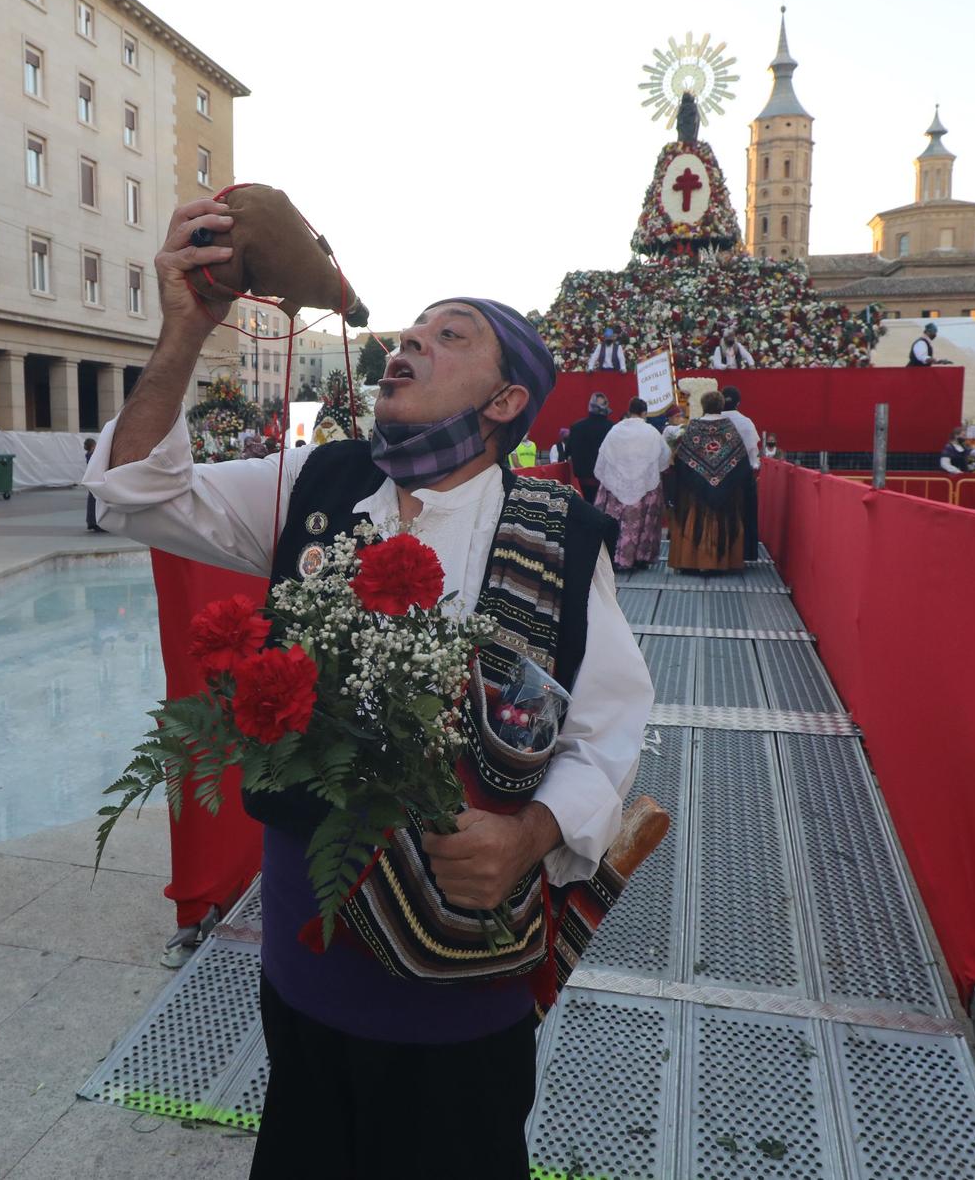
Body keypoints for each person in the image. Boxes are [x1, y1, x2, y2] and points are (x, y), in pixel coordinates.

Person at [84, 197, 652, 1179]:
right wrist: (185, 330)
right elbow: (129, 493)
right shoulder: (317, 484)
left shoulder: (556, 539)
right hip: (304, 970)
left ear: (508, 401)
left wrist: (527, 834)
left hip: (461, 983)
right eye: (409, 330)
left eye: (449, 336)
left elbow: (607, 731)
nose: (407, 345)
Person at [665, 391, 750, 574]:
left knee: (693, 520)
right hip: (725, 494)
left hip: (695, 493)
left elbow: (679, 461)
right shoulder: (730, 429)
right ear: (720, 406)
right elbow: (741, 463)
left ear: (703, 405)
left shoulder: (693, 427)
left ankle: (691, 562)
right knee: (724, 521)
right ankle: (721, 563)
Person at [594, 396, 671, 570]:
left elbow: (604, 456)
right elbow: (664, 457)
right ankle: (640, 557)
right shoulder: (651, 431)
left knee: (618, 522)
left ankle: (613, 556)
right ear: (644, 413)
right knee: (642, 524)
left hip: (618, 483)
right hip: (644, 484)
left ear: (629, 411)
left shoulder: (615, 430)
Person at [719, 386, 762, 561]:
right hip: (742, 475)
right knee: (744, 513)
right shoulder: (746, 422)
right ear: (739, 402)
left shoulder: (712, 422)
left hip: (717, 476)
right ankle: (745, 552)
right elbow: (753, 453)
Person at [563, 391, 614, 504]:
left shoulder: (576, 427)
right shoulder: (612, 428)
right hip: (605, 478)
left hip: (584, 479)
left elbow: (567, 453)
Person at [83, 437, 105, 531]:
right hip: (96, 480)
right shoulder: (93, 455)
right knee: (96, 502)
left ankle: (91, 522)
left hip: (92, 480)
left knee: (92, 502)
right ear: (93, 446)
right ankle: (96, 522)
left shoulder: (88, 454)